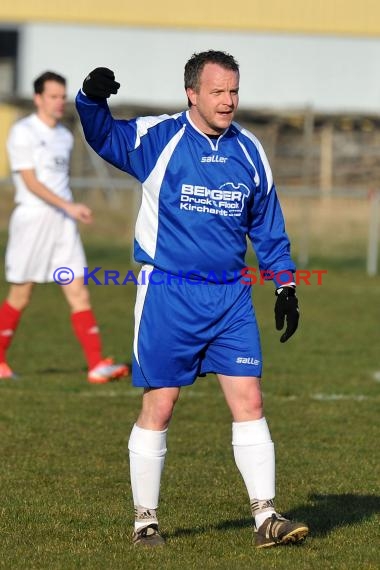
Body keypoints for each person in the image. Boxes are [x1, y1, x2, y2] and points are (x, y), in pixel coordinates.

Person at [76, 51, 309, 548]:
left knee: (250, 399)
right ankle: (146, 520)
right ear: (192, 94)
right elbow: (103, 136)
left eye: (234, 91)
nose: (228, 101)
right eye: (218, 92)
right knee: (161, 405)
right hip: (169, 293)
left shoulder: (249, 150)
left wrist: (285, 283)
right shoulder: (158, 137)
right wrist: (91, 100)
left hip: (230, 296)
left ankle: (266, 517)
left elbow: (266, 222)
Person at [0, 71, 129, 384]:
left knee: (77, 290)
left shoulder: (65, 135)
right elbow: (29, 181)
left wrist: (68, 210)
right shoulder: (23, 132)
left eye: (62, 96)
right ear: (38, 99)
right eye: (54, 96)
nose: (60, 102)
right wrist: (68, 205)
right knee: (21, 293)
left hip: (62, 224)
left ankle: (97, 364)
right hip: (33, 219)